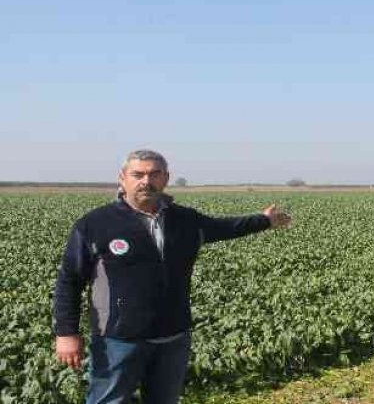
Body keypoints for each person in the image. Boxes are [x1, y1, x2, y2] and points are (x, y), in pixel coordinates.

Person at [52, 149, 291, 404]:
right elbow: (70, 280)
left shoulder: (185, 220)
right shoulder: (96, 224)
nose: (146, 181)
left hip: (173, 336)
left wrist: (264, 221)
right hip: (118, 340)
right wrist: (66, 333)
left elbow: (224, 227)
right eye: (138, 174)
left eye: (155, 174)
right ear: (122, 178)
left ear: (166, 178)